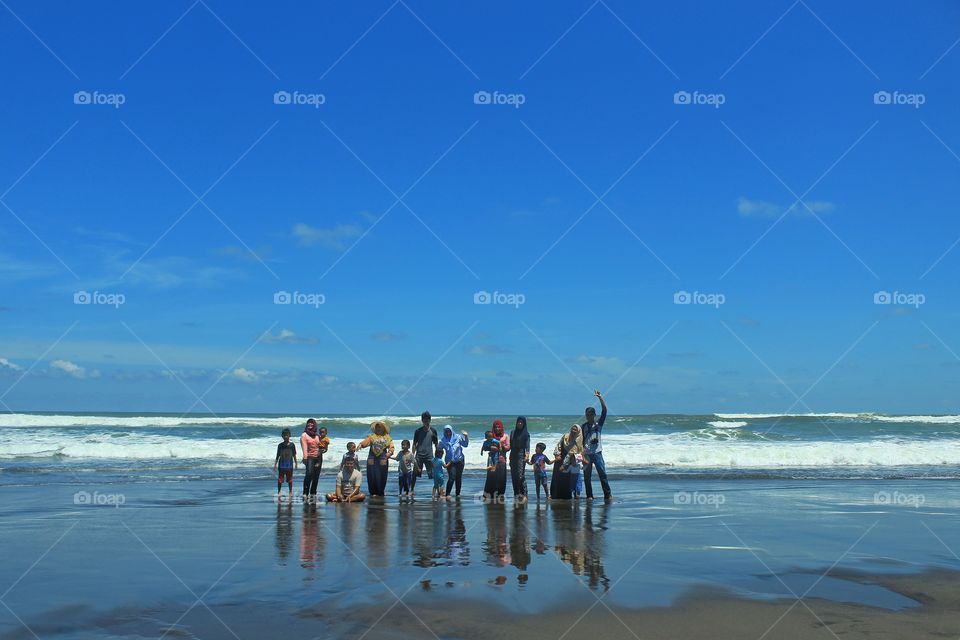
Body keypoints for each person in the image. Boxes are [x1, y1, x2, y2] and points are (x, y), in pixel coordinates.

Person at [582, 390, 612, 501]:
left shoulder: (598, 424)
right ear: (585, 415)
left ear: (594, 415)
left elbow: (604, 410)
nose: (589, 416)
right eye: (587, 414)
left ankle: (607, 495)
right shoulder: (583, 427)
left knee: (602, 475)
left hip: (597, 453)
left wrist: (600, 397)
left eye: (591, 414)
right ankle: (589, 495)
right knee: (587, 477)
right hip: (587, 454)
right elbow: (580, 441)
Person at [357, 420, 394, 497]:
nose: (378, 429)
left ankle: (380, 491)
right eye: (377, 427)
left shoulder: (388, 438)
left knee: (382, 474)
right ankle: (372, 491)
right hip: (372, 457)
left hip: (383, 457)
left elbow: (391, 446)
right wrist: (361, 445)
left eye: (379, 427)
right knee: (371, 474)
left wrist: (390, 452)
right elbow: (365, 442)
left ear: (383, 428)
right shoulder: (372, 437)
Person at [551, 424, 583, 500]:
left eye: (575, 430)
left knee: (566, 479)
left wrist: (564, 465)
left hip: (569, 461)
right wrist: (556, 454)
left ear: (578, 431)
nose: (573, 431)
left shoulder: (578, 440)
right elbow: (558, 445)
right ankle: (554, 495)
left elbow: (571, 453)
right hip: (560, 458)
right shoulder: (565, 436)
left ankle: (566, 496)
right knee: (556, 477)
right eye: (572, 429)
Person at [411, 411, 438, 495]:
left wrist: (438, 456)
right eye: (424, 420)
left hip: (429, 456)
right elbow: (414, 444)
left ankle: (436, 491)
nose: (426, 421)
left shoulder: (433, 431)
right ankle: (411, 490)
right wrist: (412, 455)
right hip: (419, 456)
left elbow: (436, 444)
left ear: (430, 420)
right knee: (414, 474)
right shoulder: (418, 431)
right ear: (422, 420)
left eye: (428, 419)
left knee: (434, 474)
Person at [439, 425, 469, 498]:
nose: (448, 433)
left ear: (452, 431)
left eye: (449, 431)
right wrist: (438, 460)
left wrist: (466, 436)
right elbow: (438, 449)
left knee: (458, 477)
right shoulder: (443, 440)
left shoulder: (458, 437)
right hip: (450, 461)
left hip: (460, 460)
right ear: (444, 432)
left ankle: (457, 494)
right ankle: (448, 494)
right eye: (446, 431)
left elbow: (465, 445)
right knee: (452, 477)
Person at [273, 428, 298, 501]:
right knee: (280, 479)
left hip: (289, 464)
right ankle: (279, 491)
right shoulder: (280, 445)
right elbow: (277, 455)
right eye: (284, 435)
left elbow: (294, 455)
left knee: (290, 479)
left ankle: (290, 491)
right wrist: (275, 464)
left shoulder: (292, 445)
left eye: (287, 435)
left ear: (290, 435)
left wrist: (296, 463)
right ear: (282, 436)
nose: (285, 437)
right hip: (281, 464)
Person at [300, 418, 322, 501]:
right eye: (308, 423)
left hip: (318, 457)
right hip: (309, 457)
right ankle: (305, 493)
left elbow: (320, 447)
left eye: (312, 423)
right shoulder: (304, 435)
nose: (310, 424)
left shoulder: (317, 435)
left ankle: (313, 493)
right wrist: (305, 458)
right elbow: (304, 447)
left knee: (316, 476)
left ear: (314, 425)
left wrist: (324, 449)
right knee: (309, 474)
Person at [510, 416, 531, 502]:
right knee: (513, 475)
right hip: (513, 454)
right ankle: (516, 493)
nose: (519, 423)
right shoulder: (512, 432)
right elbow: (511, 445)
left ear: (524, 423)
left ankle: (524, 494)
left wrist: (527, 456)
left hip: (521, 454)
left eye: (521, 422)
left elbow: (527, 446)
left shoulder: (526, 434)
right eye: (518, 422)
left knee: (520, 475)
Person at [492, 419, 510, 498]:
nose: (497, 429)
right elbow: (486, 446)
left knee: (501, 478)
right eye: (495, 427)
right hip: (492, 460)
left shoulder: (505, 436)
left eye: (499, 427)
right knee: (492, 478)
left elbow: (509, 447)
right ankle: (491, 494)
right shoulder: (491, 436)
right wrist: (492, 447)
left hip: (502, 459)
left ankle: (501, 494)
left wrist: (502, 446)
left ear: (501, 427)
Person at [481, 430, 502, 502]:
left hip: (496, 454)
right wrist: (481, 451)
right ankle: (490, 466)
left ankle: (494, 466)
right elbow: (483, 447)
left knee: (495, 460)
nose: (489, 438)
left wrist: (500, 448)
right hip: (490, 454)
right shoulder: (486, 441)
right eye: (488, 437)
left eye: (490, 437)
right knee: (490, 459)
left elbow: (499, 443)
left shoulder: (494, 440)